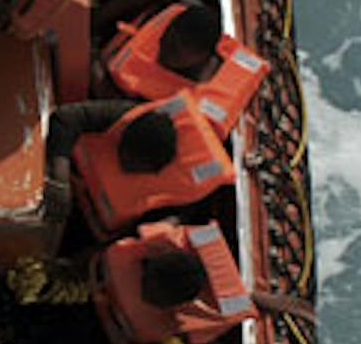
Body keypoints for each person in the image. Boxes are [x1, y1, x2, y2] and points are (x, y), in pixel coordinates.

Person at [11, 216, 257, 344]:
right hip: (91, 322)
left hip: (91, 327)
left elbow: (167, 224)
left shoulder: (120, 257)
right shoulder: (169, 318)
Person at [46, 94, 234, 239]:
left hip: (90, 227)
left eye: (131, 162)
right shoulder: (127, 116)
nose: (122, 162)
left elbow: (140, 234)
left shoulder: (182, 194)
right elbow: (66, 117)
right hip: (61, 178)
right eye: (122, 152)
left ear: (155, 169)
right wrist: (60, 181)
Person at [99, 0, 270, 135]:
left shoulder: (200, 111)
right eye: (165, 38)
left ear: (202, 56)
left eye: (175, 50)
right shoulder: (180, 17)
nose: (163, 49)